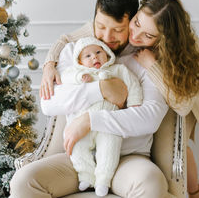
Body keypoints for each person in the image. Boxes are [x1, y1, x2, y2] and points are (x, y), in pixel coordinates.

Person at [38, 0, 199, 198]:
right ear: (135, 15)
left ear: (162, 39)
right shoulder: (95, 40)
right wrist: (50, 63)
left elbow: (180, 105)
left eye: (148, 35)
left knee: (180, 147)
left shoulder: (166, 53)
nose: (135, 36)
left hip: (188, 96)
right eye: (136, 23)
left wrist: (152, 66)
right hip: (83, 151)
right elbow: (68, 38)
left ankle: (196, 194)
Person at [10, 0, 174, 198]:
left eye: (117, 29)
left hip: (128, 159)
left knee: (151, 184)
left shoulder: (145, 60)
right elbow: (50, 103)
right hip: (76, 157)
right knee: (24, 181)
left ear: (132, 23)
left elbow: (149, 117)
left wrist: (90, 120)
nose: (106, 36)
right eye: (101, 26)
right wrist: (101, 89)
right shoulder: (75, 52)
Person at [41, 37, 143, 197]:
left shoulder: (118, 70)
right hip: (80, 126)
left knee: (110, 148)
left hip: (109, 124)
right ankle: (86, 175)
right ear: (79, 61)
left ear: (107, 54)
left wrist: (134, 104)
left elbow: (134, 85)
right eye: (87, 56)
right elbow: (65, 78)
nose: (94, 57)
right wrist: (79, 78)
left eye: (98, 52)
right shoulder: (78, 72)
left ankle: (103, 179)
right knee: (77, 147)